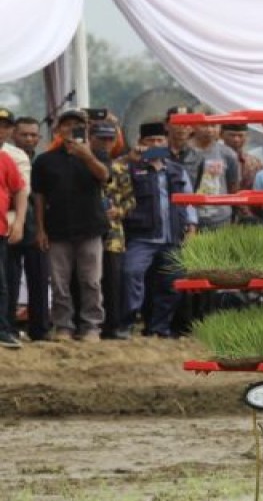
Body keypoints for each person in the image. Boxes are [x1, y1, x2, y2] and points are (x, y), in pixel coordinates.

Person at [31, 109, 109, 342]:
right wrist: (40, 228)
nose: (71, 128)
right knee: (59, 282)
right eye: (66, 125)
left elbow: (104, 176)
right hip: (57, 229)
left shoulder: (97, 153)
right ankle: (63, 326)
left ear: (86, 129)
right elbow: (39, 196)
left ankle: (92, 326)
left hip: (90, 228)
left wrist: (86, 156)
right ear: (57, 130)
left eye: (77, 125)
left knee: (91, 281)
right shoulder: (45, 160)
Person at [122, 122, 198, 339]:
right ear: (141, 144)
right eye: (150, 141)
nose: (155, 144)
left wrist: (191, 228)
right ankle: (128, 323)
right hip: (142, 236)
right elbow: (112, 179)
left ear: (166, 142)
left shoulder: (176, 169)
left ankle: (159, 327)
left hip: (172, 236)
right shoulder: (131, 168)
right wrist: (130, 159)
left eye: (159, 141)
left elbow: (189, 201)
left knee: (172, 284)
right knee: (131, 274)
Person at [95, 123, 136, 340]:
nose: (106, 143)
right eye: (101, 138)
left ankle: (114, 326)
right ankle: (89, 325)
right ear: (91, 139)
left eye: (110, 139)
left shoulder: (120, 169)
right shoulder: (85, 164)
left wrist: (118, 211)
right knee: (88, 279)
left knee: (113, 280)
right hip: (87, 230)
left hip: (113, 233)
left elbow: (131, 202)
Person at [6, 116, 46, 341]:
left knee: (39, 279)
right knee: (10, 279)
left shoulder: (44, 161)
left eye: (33, 135)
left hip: (38, 228)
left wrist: (42, 228)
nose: (29, 139)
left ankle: (40, 330)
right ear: (14, 135)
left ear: (39, 138)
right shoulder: (7, 158)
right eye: (24, 134)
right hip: (12, 224)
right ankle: (8, 327)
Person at [187, 117, 241, 230]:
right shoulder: (183, 152)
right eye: (205, 125)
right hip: (188, 218)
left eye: (214, 126)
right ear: (194, 126)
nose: (209, 130)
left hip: (220, 219)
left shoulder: (228, 154)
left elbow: (233, 186)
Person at [0, 147, 26, 348]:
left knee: (1, 285)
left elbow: (19, 190)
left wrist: (18, 222)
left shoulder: (5, 159)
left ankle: (2, 330)